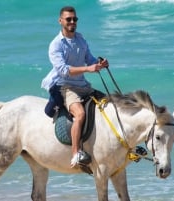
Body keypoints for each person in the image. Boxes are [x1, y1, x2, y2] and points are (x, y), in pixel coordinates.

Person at [41, 6, 109, 168]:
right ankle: (76, 153)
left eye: (75, 19)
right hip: (65, 87)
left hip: (82, 85)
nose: (72, 22)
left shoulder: (80, 39)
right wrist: (88, 69)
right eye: (68, 19)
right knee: (79, 114)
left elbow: (89, 59)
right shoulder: (56, 45)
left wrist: (99, 64)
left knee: (109, 104)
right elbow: (64, 71)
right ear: (60, 21)